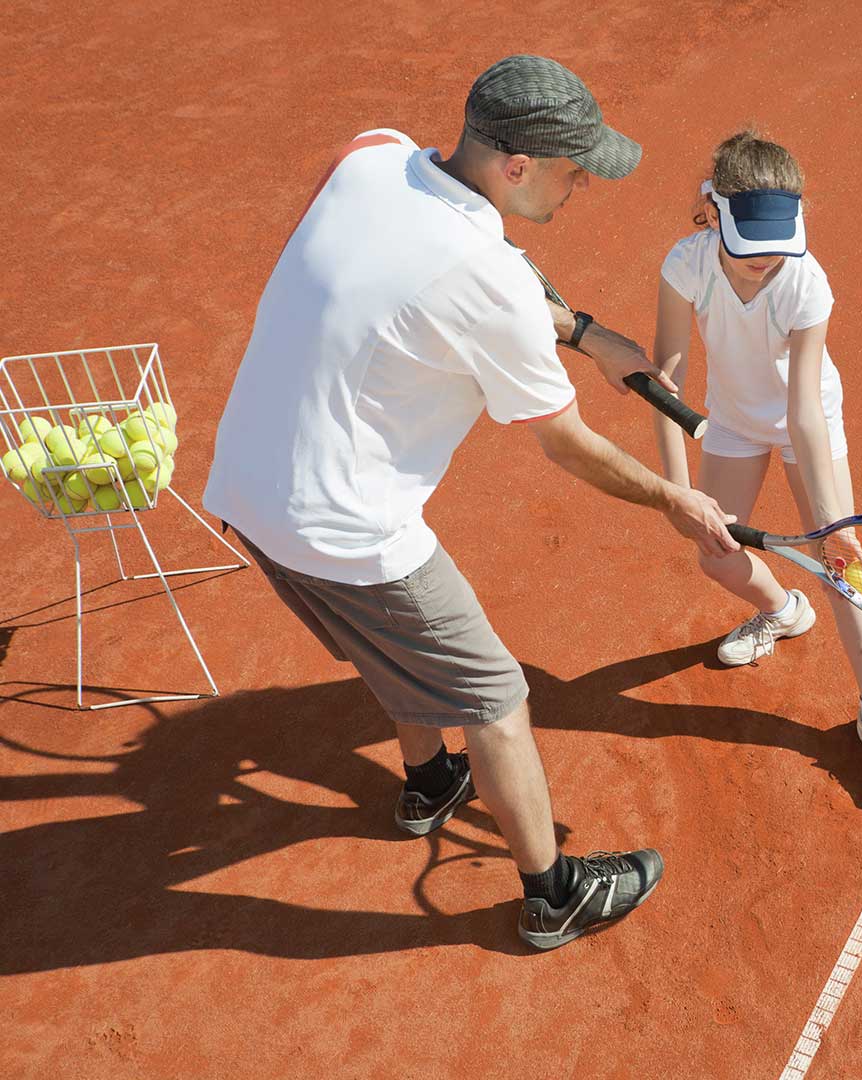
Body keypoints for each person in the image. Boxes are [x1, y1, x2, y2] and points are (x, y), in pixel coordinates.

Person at [203, 55, 738, 950]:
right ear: (517, 166)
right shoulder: (490, 283)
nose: (582, 186)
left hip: (248, 487)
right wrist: (673, 499)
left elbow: (429, 266)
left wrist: (583, 333)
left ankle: (429, 780)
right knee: (495, 694)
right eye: (573, 170)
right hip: (346, 524)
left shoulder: (371, 155)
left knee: (385, 642)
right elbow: (567, 444)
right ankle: (552, 895)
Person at [651, 130, 862, 803]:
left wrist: (833, 528)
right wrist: (677, 491)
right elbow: (664, 385)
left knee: (843, 570)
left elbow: (803, 413)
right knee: (713, 553)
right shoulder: (686, 265)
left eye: (776, 247)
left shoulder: (805, 282)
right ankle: (783, 609)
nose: (764, 262)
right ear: (715, 213)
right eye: (749, 249)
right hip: (734, 419)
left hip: (806, 421)